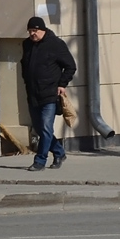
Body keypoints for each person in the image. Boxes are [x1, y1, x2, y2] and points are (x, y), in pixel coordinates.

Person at [22, 15, 76, 171]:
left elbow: (71, 66)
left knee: (46, 128)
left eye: (35, 31)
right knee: (39, 129)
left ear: (42, 30)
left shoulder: (56, 44)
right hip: (32, 94)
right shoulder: (27, 45)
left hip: (50, 94)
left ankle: (40, 161)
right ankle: (59, 152)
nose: (32, 34)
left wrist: (62, 84)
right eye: (30, 31)